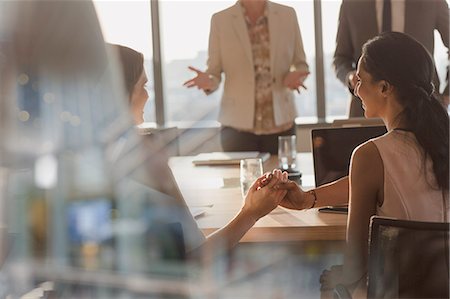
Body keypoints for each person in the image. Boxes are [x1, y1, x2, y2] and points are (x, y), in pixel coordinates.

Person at [266, 32, 449, 295]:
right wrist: (309, 199)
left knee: (320, 278)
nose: (356, 88)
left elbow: (354, 267)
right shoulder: (440, 144)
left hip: (396, 292)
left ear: (385, 88)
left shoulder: (370, 155)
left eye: (361, 79)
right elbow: (388, 181)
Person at [112, 43, 289, 256]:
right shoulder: (144, 155)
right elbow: (198, 258)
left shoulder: (84, 162)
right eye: (143, 87)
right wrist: (251, 213)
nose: (147, 96)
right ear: (123, 94)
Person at [183, 0, 309, 154]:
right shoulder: (220, 20)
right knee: (238, 178)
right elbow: (214, 72)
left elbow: (301, 65)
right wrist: (209, 81)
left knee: (282, 177)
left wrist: (295, 78)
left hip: (281, 123)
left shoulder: (287, 15)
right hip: (237, 127)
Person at [334, 0, 449, 117]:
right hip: (364, 109)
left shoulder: (433, 2)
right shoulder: (352, 3)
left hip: (422, 106)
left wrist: (447, 94)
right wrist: (350, 76)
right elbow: (340, 58)